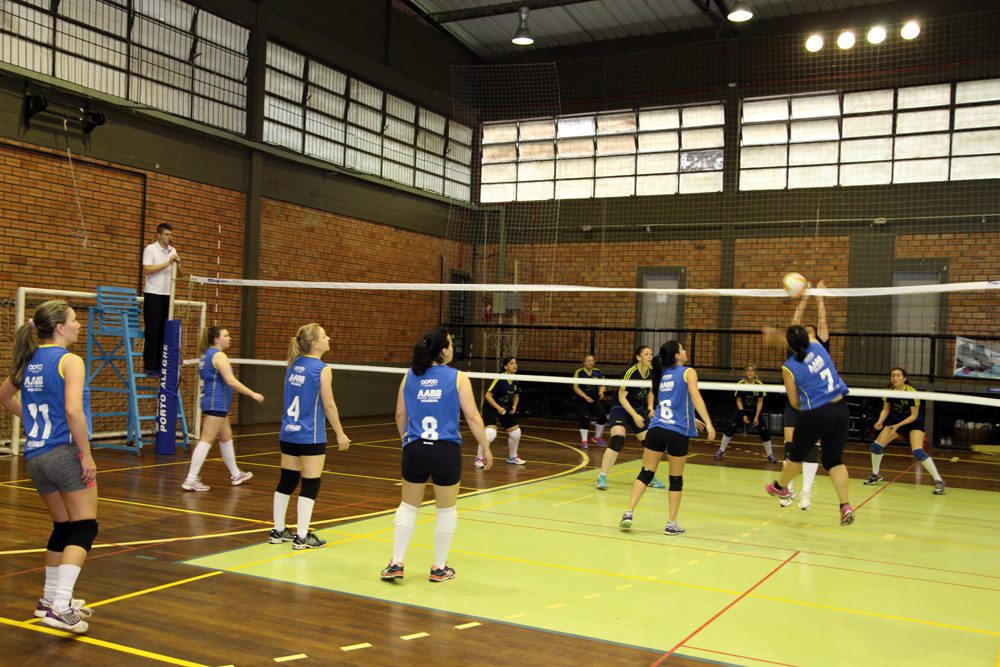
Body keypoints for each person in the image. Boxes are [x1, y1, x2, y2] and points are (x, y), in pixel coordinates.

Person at [0, 301, 97, 634]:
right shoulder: (70, 361)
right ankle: (61, 606)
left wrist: (31, 423)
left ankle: (49, 599)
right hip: (63, 452)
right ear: (59, 327)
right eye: (74, 320)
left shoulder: (29, 360)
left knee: (63, 527)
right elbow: (73, 411)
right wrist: (86, 455)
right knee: (84, 528)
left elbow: (4, 396)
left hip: (35, 455)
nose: (78, 325)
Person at [381, 327, 492, 582]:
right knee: (445, 510)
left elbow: (400, 414)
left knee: (408, 506)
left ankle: (396, 563)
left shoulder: (409, 375)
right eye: (451, 344)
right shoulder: (458, 377)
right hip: (445, 451)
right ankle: (439, 568)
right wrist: (485, 447)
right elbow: (473, 416)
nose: (453, 348)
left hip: (416, 449)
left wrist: (406, 441)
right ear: (443, 351)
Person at [619, 341, 714, 536]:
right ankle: (671, 523)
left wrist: (691, 417)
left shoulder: (661, 374)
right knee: (675, 479)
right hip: (676, 431)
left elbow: (671, 402)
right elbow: (695, 397)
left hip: (656, 428)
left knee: (646, 472)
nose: (686, 351)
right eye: (683, 349)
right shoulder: (688, 372)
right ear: (677, 356)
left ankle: (628, 512)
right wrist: (709, 423)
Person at [269, 324, 351, 550]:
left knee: (287, 480)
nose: (329, 338)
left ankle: (278, 530)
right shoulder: (322, 369)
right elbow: (329, 405)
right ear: (315, 343)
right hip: (309, 435)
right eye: (324, 336)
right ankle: (302, 536)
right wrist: (340, 433)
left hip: (289, 431)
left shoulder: (293, 364)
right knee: (311, 483)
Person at [765, 326, 855, 526]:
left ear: (789, 344)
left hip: (816, 413)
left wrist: (806, 407)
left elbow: (794, 401)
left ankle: (780, 487)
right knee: (834, 461)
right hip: (841, 410)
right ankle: (845, 505)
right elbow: (801, 340)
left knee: (796, 454)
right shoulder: (818, 346)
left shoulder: (789, 367)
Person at [764, 281, 828, 510]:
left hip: (815, 403)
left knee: (811, 448)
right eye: (805, 332)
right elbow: (794, 324)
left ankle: (806, 495)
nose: (808, 334)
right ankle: (786, 490)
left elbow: (822, 324)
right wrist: (804, 296)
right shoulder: (793, 353)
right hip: (794, 403)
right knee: (791, 447)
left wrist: (819, 298)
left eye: (811, 332)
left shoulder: (819, 348)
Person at [181, 325, 265, 492]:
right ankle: (190, 479)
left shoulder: (207, 355)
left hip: (216, 402)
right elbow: (231, 381)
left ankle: (236, 474)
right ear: (216, 339)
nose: (229, 338)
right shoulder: (218, 355)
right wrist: (252, 394)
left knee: (226, 438)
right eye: (225, 335)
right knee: (206, 440)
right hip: (216, 402)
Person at [865, 367, 945, 494]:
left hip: (914, 423)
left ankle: (939, 481)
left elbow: (914, 415)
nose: (895, 378)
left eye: (898, 375)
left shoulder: (912, 392)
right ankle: (876, 474)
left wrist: (898, 425)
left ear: (904, 378)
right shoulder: (889, 391)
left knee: (918, 452)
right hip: (897, 420)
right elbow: (886, 409)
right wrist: (880, 421)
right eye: (893, 375)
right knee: (876, 446)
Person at [596, 346, 664, 490]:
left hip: (638, 410)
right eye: (646, 354)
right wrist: (635, 416)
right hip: (620, 409)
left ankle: (648, 477)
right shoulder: (630, 372)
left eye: (651, 354)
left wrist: (650, 406)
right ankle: (602, 476)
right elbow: (622, 398)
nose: (650, 356)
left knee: (650, 445)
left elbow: (651, 391)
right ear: (638, 357)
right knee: (618, 440)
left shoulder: (652, 372)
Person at [714, 363, 776, 463]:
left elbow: (760, 402)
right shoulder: (741, 384)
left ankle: (770, 455)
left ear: (755, 373)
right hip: (742, 410)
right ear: (744, 372)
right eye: (748, 370)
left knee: (764, 431)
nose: (750, 372)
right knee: (730, 428)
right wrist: (743, 414)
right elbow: (738, 400)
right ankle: (721, 450)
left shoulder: (759, 385)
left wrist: (756, 416)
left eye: (752, 370)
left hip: (755, 411)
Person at [142, 222, 181, 376]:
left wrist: (177, 264)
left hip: (167, 295)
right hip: (153, 294)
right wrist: (168, 263)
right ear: (158, 235)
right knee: (153, 330)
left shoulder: (173, 251)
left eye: (171, 234)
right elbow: (146, 270)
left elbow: (178, 274)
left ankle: (160, 365)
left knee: (164, 331)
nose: (169, 237)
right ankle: (150, 366)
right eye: (166, 234)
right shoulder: (151, 249)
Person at [476, 356, 524, 467]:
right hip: (491, 407)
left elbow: (516, 395)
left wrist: (514, 406)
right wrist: (498, 408)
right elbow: (488, 395)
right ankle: (479, 458)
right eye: (511, 363)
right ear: (506, 367)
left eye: (516, 363)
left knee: (516, 433)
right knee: (490, 433)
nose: (515, 365)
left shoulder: (516, 380)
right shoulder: (499, 378)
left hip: (505, 408)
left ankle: (512, 457)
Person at [573, 354, 607, 449]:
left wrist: (601, 391)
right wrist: (585, 397)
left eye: (592, 361)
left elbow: (603, 385)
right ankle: (584, 440)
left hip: (593, 399)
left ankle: (597, 437)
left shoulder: (598, 372)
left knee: (602, 416)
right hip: (580, 399)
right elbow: (576, 388)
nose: (590, 363)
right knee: (585, 417)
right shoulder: (579, 372)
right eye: (588, 361)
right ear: (584, 362)